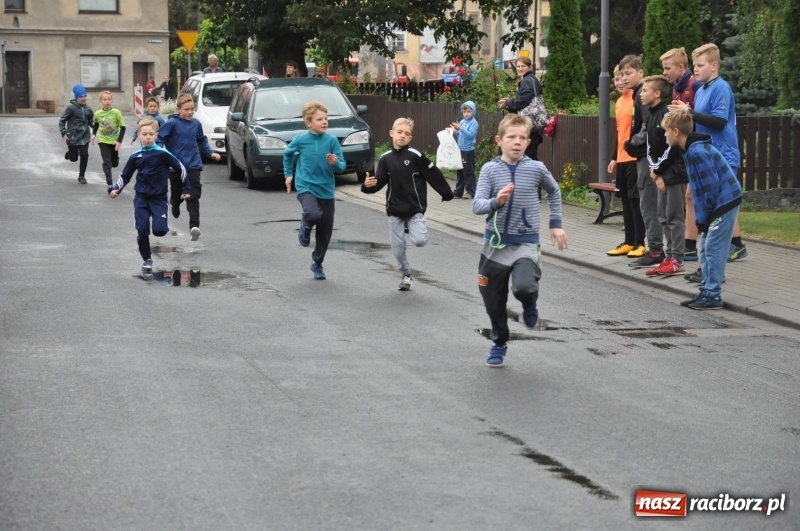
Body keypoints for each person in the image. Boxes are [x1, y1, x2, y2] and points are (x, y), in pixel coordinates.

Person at [472, 114, 568, 368]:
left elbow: (554, 191)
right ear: (499, 140)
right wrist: (496, 202)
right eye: (511, 137)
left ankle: (529, 304)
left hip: (525, 243)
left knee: (524, 286)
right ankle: (499, 342)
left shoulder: (536, 168)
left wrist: (556, 225)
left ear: (528, 142)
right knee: (494, 303)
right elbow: (477, 205)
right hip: (494, 246)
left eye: (522, 138)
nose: (517, 142)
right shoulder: (490, 170)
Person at [669, 43, 748, 277]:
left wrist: (690, 113)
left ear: (714, 65)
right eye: (694, 65)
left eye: (701, 65)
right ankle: (705, 263)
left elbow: (720, 121)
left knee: (717, 212)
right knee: (704, 207)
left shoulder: (721, 88)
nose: (696, 70)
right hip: (706, 156)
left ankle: (715, 264)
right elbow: (699, 122)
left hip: (723, 155)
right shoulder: (702, 89)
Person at [361, 117, 454, 291]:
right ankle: (406, 275)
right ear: (391, 133)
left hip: (414, 209)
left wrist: (447, 194)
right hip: (394, 210)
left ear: (410, 138)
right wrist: (367, 187)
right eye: (399, 132)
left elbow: (433, 174)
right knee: (397, 250)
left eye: (407, 134)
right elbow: (378, 183)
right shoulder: (385, 159)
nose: (402, 136)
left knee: (419, 241)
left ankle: (409, 227)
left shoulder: (416, 156)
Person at [663, 110, 742, 310]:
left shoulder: (697, 152)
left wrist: (704, 218)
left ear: (676, 131)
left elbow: (710, 187)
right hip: (718, 201)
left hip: (724, 201)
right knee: (705, 247)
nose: (665, 135)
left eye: (666, 131)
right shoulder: (690, 149)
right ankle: (707, 290)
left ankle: (713, 296)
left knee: (714, 248)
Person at [109, 117, 189, 281]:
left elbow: (180, 168)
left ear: (155, 135)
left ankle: (160, 221)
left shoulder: (162, 154)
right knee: (142, 229)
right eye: (144, 134)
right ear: (139, 135)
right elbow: (125, 175)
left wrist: (186, 188)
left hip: (158, 198)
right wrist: (117, 188)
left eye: (150, 134)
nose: (147, 137)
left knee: (160, 231)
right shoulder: (135, 156)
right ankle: (147, 259)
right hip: (141, 198)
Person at [283, 101, 346, 280]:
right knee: (312, 214)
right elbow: (287, 154)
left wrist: (336, 163)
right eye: (320, 119)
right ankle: (305, 226)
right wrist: (289, 175)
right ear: (308, 122)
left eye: (326, 118)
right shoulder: (300, 140)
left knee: (325, 233)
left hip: (326, 189)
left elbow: (342, 165)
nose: (325, 122)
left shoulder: (332, 140)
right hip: (306, 186)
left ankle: (317, 263)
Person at [640, 75, 688, 277]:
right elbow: (651, 146)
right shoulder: (650, 115)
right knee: (662, 217)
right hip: (659, 173)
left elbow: (672, 148)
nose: (641, 94)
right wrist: (653, 169)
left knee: (675, 217)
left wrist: (658, 172)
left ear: (657, 93)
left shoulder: (666, 115)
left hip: (673, 175)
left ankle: (677, 258)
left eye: (645, 90)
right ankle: (668, 257)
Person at [157, 93, 221, 241]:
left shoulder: (196, 124)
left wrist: (210, 153)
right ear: (178, 109)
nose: (190, 112)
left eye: (192, 109)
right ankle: (174, 203)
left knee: (193, 195)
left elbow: (201, 140)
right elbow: (159, 138)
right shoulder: (171, 124)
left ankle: (194, 227)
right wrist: (159, 152)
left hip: (193, 165)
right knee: (177, 193)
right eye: (186, 109)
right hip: (176, 166)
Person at [621, 54, 665, 269]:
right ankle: (655, 247)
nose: (625, 78)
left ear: (641, 72)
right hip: (645, 154)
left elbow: (648, 128)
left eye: (628, 73)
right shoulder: (637, 94)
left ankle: (656, 250)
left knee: (648, 203)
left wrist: (632, 142)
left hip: (647, 156)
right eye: (622, 74)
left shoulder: (642, 95)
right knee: (647, 202)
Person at [661, 48, 701, 263]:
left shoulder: (693, 85)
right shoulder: (677, 88)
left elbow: (696, 114)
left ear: (680, 67)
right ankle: (690, 245)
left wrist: (685, 111)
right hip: (685, 149)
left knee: (692, 197)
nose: (665, 73)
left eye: (668, 68)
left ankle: (692, 246)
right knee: (690, 197)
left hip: (695, 147)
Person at [606, 65, 646, 258]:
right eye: (617, 78)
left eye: (624, 76)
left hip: (633, 157)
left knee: (634, 200)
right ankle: (629, 241)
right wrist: (614, 157)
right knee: (624, 200)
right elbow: (619, 132)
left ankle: (640, 242)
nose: (620, 81)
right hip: (622, 158)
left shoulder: (637, 98)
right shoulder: (619, 102)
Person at [497, 56, 544, 160]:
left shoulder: (527, 81)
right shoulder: (532, 79)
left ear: (529, 67)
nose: (520, 68)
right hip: (533, 127)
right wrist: (509, 103)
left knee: (528, 160)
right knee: (528, 159)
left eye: (523, 66)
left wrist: (508, 103)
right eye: (518, 66)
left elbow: (523, 101)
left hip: (529, 127)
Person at [59, 84, 94, 185]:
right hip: (73, 137)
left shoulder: (88, 109)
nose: (83, 98)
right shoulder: (71, 108)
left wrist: (98, 128)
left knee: (84, 155)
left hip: (84, 136)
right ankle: (70, 154)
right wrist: (63, 132)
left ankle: (81, 176)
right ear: (76, 97)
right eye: (81, 96)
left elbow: (91, 122)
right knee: (73, 158)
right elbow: (62, 121)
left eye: (84, 96)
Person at [91, 90, 126, 191]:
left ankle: (115, 159)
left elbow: (123, 128)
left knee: (114, 163)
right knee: (107, 163)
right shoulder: (98, 113)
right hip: (103, 141)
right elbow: (96, 123)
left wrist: (119, 141)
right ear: (100, 101)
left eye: (109, 99)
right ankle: (110, 184)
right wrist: (93, 134)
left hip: (114, 141)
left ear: (112, 101)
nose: (107, 101)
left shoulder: (116, 113)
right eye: (105, 99)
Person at [449, 101, 479, 199]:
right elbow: (460, 134)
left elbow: (470, 135)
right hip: (460, 150)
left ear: (473, 112)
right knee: (460, 171)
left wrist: (461, 128)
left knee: (468, 172)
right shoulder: (462, 122)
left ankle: (471, 192)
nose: (466, 113)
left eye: (468, 111)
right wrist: (454, 131)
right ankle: (458, 192)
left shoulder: (474, 123)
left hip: (468, 151)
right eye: (464, 111)